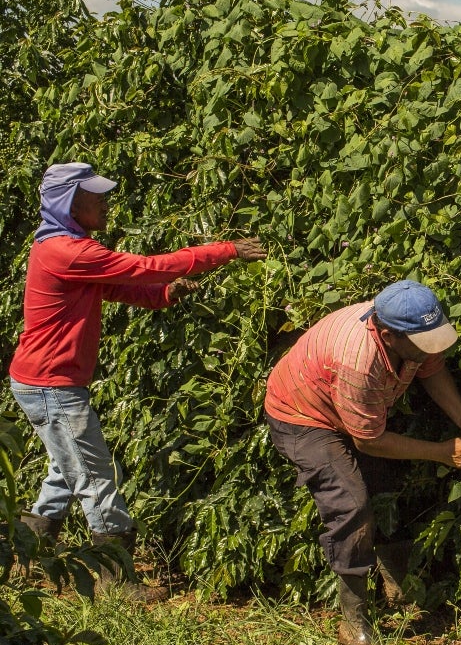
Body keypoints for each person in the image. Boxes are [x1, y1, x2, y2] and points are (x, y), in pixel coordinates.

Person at [8, 161, 267, 602]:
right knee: (95, 474)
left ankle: (24, 549)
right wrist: (226, 251)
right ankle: (113, 579)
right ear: (70, 202)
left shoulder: (63, 246)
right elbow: (145, 267)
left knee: (66, 468)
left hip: (46, 381)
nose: (106, 202)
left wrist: (166, 294)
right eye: (97, 196)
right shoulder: (69, 252)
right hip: (52, 384)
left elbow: (116, 288)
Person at [263, 279, 461, 645]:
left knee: (382, 482)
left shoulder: (412, 330)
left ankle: (398, 587)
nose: (430, 348)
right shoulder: (358, 361)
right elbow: (368, 441)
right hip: (302, 415)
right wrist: (442, 452)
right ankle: (353, 621)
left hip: (345, 404)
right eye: (422, 344)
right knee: (350, 504)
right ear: (389, 336)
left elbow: (432, 368)